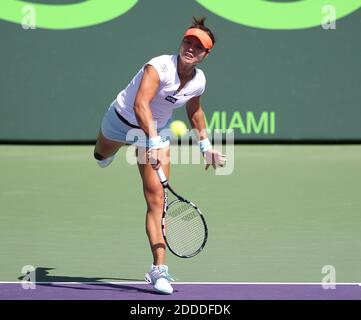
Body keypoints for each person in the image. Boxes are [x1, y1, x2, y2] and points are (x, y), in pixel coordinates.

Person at [93, 17, 226, 294]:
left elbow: (195, 112)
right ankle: (107, 154)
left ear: (205, 54)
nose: (190, 47)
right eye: (187, 41)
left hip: (157, 133)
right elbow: (141, 104)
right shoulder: (159, 67)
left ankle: (158, 270)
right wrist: (151, 140)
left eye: (198, 46)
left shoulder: (198, 80)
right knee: (100, 155)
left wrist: (205, 146)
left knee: (157, 198)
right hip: (121, 121)